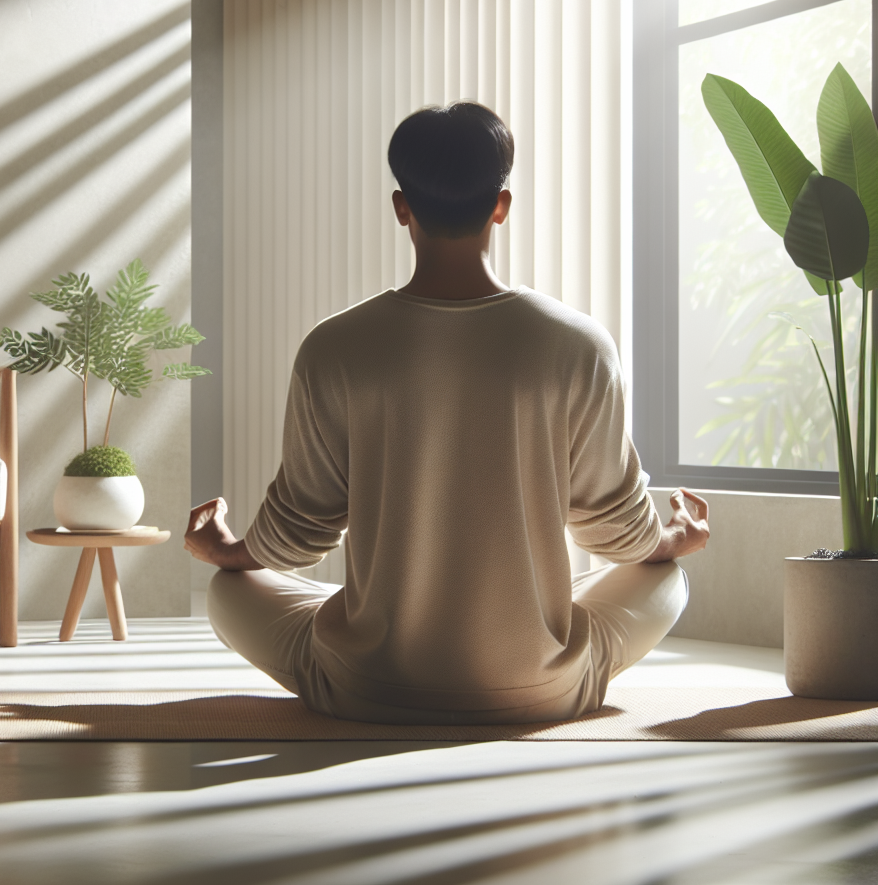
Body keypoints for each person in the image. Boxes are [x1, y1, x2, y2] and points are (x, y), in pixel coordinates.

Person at [185, 101, 710, 725]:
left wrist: (230, 552)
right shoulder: (579, 344)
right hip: (541, 690)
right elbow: (612, 531)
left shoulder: (334, 346)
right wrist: (674, 538)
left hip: (367, 686)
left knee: (230, 592)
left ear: (401, 207)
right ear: (502, 205)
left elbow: (300, 532)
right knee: (667, 579)